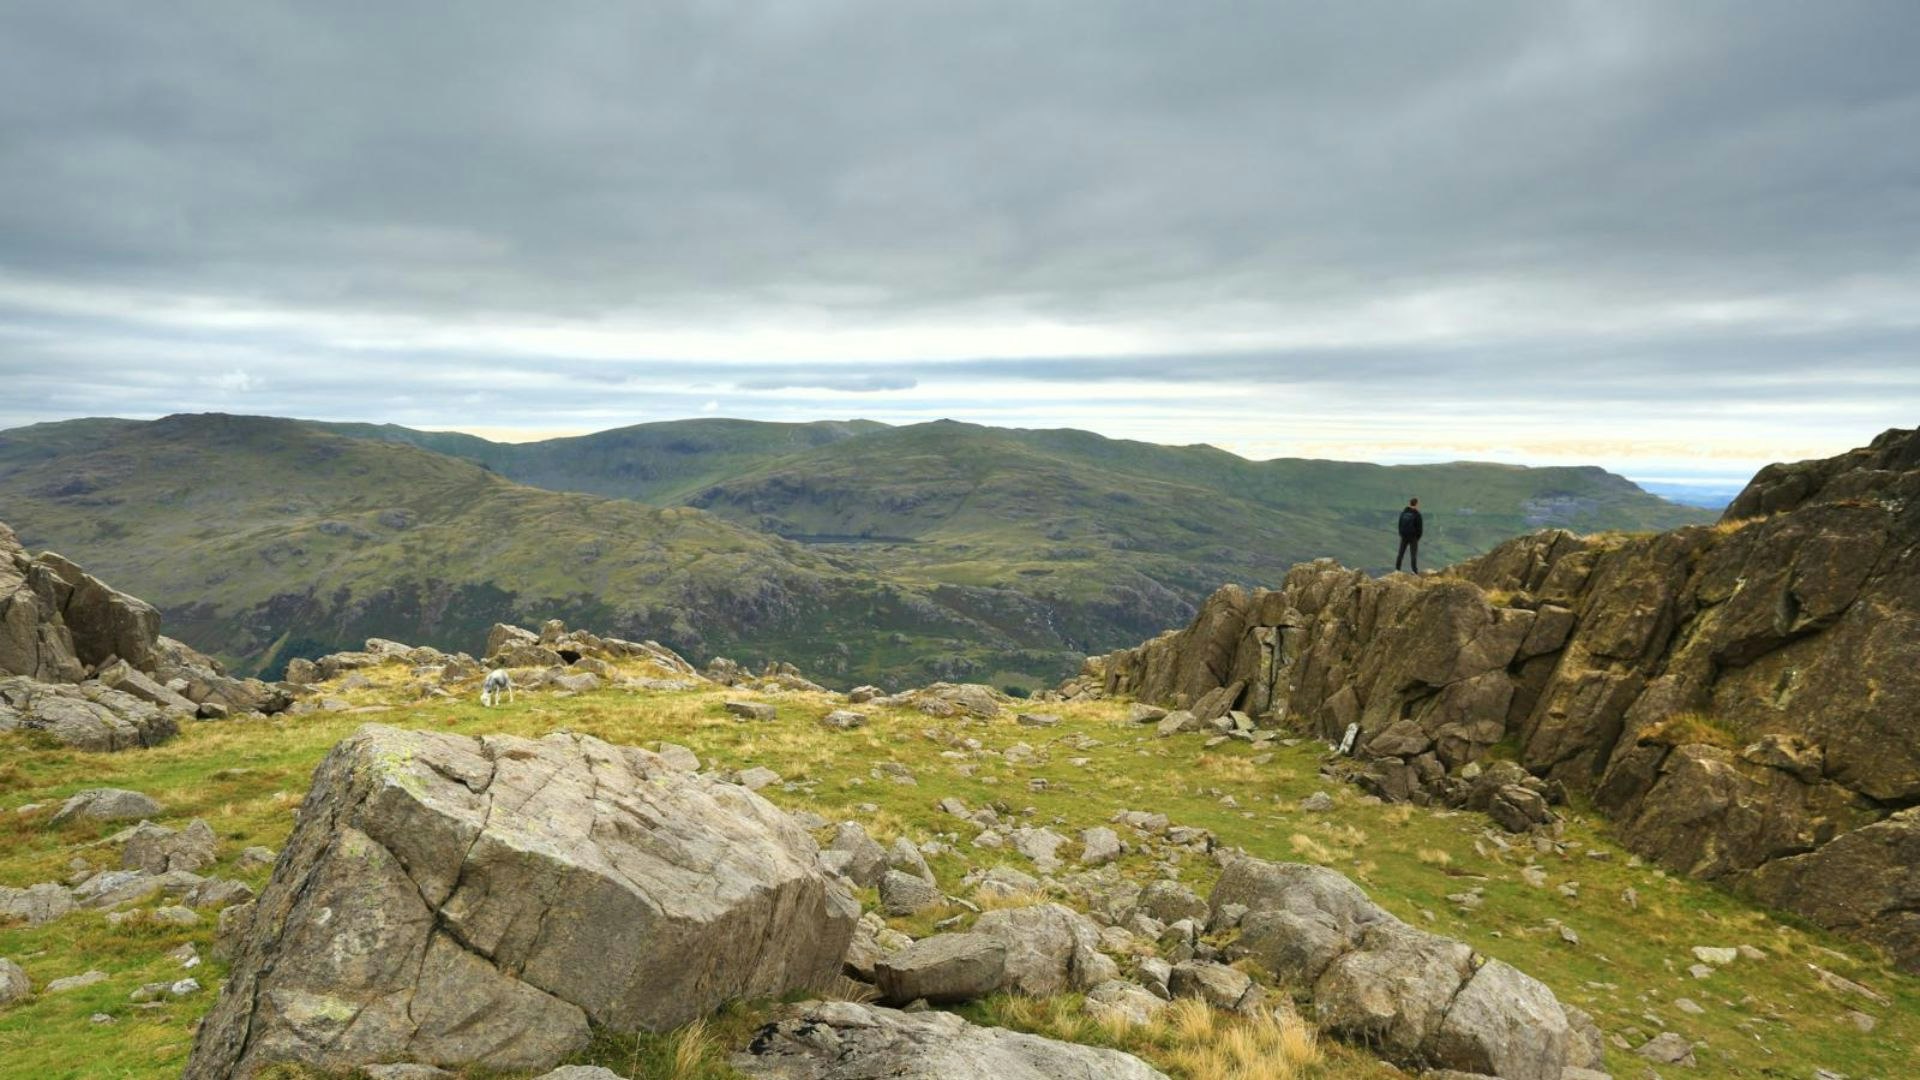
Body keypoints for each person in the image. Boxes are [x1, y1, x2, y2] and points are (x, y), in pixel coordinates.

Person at [1396, 497, 1423, 573]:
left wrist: (1401, 534)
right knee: (1413, 555)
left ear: (1410, 503)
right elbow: (1420, 529)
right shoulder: (1417, 514)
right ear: (1416, 504)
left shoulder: (1403, 513)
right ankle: (1414, 571)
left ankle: (1397, 569)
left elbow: (1399, 524)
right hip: (1413, 537)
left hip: (1404, 536)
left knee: (1401, 553)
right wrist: (1417, 538)